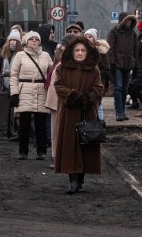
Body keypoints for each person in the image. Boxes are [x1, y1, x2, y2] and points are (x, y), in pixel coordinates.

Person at [54, 36, 104, 194]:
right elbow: (58, 86)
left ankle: (81, 177)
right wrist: (73, 96)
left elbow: (99, 88)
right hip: (70, 112)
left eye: (83, 50)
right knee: (70, 145)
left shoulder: (94, 69)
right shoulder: (63, 68)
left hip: (86, 112)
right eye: (77, 50)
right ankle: (72, 179)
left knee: (85, 145)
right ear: (72, 52)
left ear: (87, 52)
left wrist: (89, 98)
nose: (80, 53)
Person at [10, 31, 53, 160]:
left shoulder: (46, 56)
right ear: (26, 41)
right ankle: (23, 151)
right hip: (24, 91)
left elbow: (52, 73)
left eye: (36, 39)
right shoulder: (20, 55)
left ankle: (41, 151)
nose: (34, 41)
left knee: (41, 124)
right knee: (24, 124)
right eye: (31, 39)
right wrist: (14, 93)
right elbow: (14, 75)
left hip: (41, 91)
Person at [45, 32, 78, 169]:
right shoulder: (64, 61)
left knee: (58, 131)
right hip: (59, 99)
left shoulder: (59, 58)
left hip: (58, 99)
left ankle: (59, 157)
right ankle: (59, 158)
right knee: (58, 131)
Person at [107, 12, 138, 121]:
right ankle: (119, 112)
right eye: (127, 20)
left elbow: (135, 50)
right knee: (118, 87)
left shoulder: (133, 33)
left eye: (131, 21)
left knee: (125, 88)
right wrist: (112, 63)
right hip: (117, 64)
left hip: (128, 64)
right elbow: (110, 49)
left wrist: (135, 65)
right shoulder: (114, 31)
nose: (129, 23)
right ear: (123, 21)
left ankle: (122, 112)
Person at [0, 29, 22, 139]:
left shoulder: (21, 53)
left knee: (16, 109)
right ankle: (9, 129)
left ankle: (17, 130)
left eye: (15, 40)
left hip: (17, 84)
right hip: (5, 83)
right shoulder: (5, 51)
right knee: (7, 108)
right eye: (11, 40)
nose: (12, 42)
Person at [83, 28, 110, 120]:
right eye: (86, 36)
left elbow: (105, 69)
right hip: (85, 82)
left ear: (94, 39)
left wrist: (102, 81)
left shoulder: (101, 51)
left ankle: (99, 124)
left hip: (98, 81)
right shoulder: (81, 50)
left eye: (90, 37)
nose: (87, 38)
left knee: (98, 103)